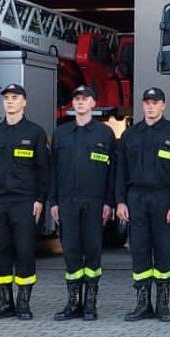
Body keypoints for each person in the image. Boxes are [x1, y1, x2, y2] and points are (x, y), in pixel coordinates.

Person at [0, 83, 51, 320]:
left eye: (15, 98)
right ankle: (4, 301)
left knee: (24, 250)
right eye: (7, 98)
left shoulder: (35, 133)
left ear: (24, 102)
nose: (10, 101)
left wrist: (40, 199)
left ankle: (23, 302)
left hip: (25, 202)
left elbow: (44, 170)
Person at [116, 86, 170, 322]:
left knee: (163, 251)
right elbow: (120, 171)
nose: (150, 107)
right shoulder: (130, 135)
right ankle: (142, 303)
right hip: (136, 198)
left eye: (155, 103)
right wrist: (120, 201)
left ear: (163, 105)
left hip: (163, 199)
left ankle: (163, 305)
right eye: (147, 103)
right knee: (139, 251)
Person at [49, 85, 117, 321]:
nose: (80, 102)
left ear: (93, 103)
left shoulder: (105, 134)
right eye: (76, 99)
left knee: (92, 251)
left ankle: (90, 303)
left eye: (85, 99)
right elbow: (52, 170)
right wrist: (53, 201)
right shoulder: (61, 133)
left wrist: (109, 202)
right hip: (67, 202)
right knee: (71, 251)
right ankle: (73, 302)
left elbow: (112, 172)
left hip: (94, 202)